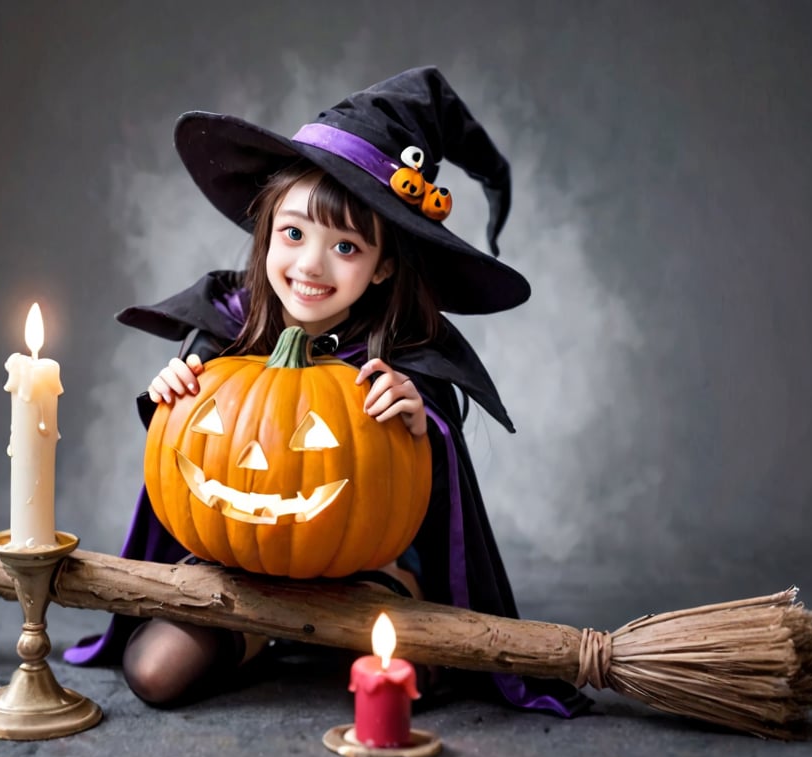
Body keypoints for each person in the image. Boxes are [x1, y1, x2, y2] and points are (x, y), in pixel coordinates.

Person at [65, 66, 590, 718]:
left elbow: (430, 484)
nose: (311, 266)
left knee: (411, 683)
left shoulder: (401, 360)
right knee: (154, 673)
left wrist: (421, 424)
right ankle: (262, 633)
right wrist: (168, 396)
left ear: (383, 265)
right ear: (265, 230)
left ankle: (334, 622)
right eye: (294, 234)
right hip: (239, 569)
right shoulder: (226, 323)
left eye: (345, 245)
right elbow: (187, 454)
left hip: (361, 573)